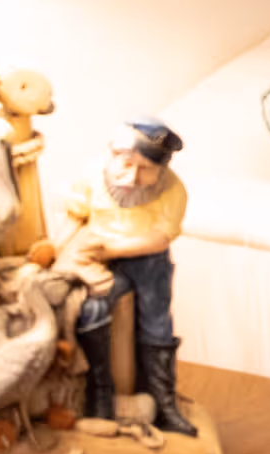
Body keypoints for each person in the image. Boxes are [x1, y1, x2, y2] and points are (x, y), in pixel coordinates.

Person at [62, 118, 196, 436]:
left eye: (146, 169)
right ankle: (101, 399)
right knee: (91, 311)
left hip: (146, 262)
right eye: (127, 163)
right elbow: (74, 216)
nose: (133, 178)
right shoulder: (92, 177)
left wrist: (110, 250)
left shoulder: (172, 190)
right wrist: (55, 250)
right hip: (98, 259)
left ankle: (162, 404)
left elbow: (160, 238)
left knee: (156, 326)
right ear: (113, 153)